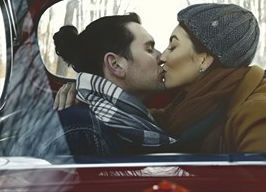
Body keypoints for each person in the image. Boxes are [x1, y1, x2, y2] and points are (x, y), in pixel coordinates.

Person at [55, 3, 266, 153]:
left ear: (205, 59)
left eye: (172, 46)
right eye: (152, 48)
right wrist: (86, 92)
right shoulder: (190, 103)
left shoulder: (262, 112)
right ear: (115, 64)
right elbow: (156, 119)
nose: (162, 57)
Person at [52, 13, 176, 155]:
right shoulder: (81, 130)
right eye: (149, 49)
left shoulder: (132, 122)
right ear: (115, 64)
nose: (161, 57)